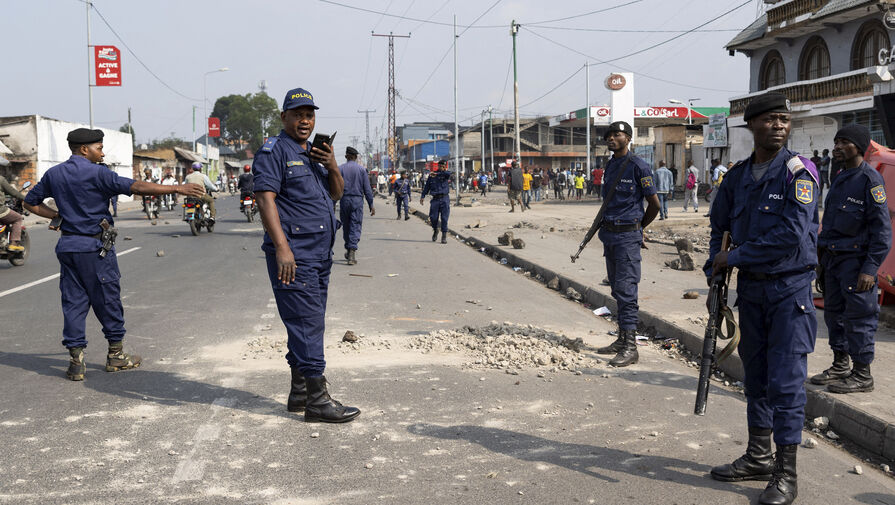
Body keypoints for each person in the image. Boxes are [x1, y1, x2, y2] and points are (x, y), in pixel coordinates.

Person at [704, 92, 819, 505]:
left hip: (790, 290)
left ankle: (785, 474)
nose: (779, 126)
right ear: (751, 125)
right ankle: (758, 456)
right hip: (750, 291)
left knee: (786, 383)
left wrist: (731, 256)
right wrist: (713, 276)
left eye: (784, 120)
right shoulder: (736, 177)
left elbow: (789, 236)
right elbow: (718, 229)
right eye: (770, 119)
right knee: (755, 378)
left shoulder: (798, 172)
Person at [22, 128, 203, 381]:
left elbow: (29, 202)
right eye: (99, 147)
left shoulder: (54, 173)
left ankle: (76, 363)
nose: (102, 152)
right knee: (108, 299)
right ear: (84, 149)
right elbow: (136, 186)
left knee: (73, 302)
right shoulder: (99, 173)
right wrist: (177, 190)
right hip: (95, 249)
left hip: (68, 247)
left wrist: (57, 216)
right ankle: (116, 356)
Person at [252, 87, 360, 423]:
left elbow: (336, 194)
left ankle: (299, 392)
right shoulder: (274, 151)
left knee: (305, 324)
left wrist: (332, 166)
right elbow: (265, 199)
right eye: (297, 114)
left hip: (319, 255)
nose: (305, 120)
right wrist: (283, 248)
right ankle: (317, 400)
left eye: (309, 115)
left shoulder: (315, 152)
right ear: (284, 117)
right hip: (295, 256)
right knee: (308, 324)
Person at [812, 124, 891, 394]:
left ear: (859, 146)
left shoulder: (870, 181)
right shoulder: (841, 177)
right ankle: (840, 365)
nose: (836, 147)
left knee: (860, 318)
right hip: (833, 261)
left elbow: (882, 231)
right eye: (836, 141)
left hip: (857, 264)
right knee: (834, 315)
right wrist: (821, 262)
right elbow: (830, 223)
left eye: (843, 142)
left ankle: (862, 374)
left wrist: (870, 270)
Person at [594, 121, 660, 367]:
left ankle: (631, 347)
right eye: (609, 135)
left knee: (627, 291)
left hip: (627, 237)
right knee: (617, 289)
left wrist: (639, 228)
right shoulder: (611, 165)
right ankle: (622, 340)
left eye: (617, 134)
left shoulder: (638, 167)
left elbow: (654, 204)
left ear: (628, 138)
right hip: (610, 235)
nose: (611, 138)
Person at [338, 146, 375, 265]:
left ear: (346, 156)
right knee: (355, 224)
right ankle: (352, 252)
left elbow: (335, 187)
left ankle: (349, 249)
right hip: (357, 200)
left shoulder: (340, 169)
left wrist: (332, 203)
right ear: (355, 157)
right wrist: (371, 204)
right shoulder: (361, 170)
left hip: (344, 200)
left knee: (347, 226)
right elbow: (367, 189)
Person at [420, 160, 452, 243]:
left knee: (444, 218)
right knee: (433, 218)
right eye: (440, 166)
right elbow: (427, 186)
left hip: (444, 199)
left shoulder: (446, 174)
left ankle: (444, 236)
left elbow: (448, 174)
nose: (442, 168)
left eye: (443, 166)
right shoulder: (432, 175)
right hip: (435, 199)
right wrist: (422, 196)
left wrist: (438, 173)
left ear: (445, 167)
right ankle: (435, 230)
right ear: (438, 166)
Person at [0, 174, 27, 252]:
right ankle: (14, 244)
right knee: (18, 218)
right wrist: (25, 198)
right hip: (1, 210)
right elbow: (13, 192)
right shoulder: (1, 179)